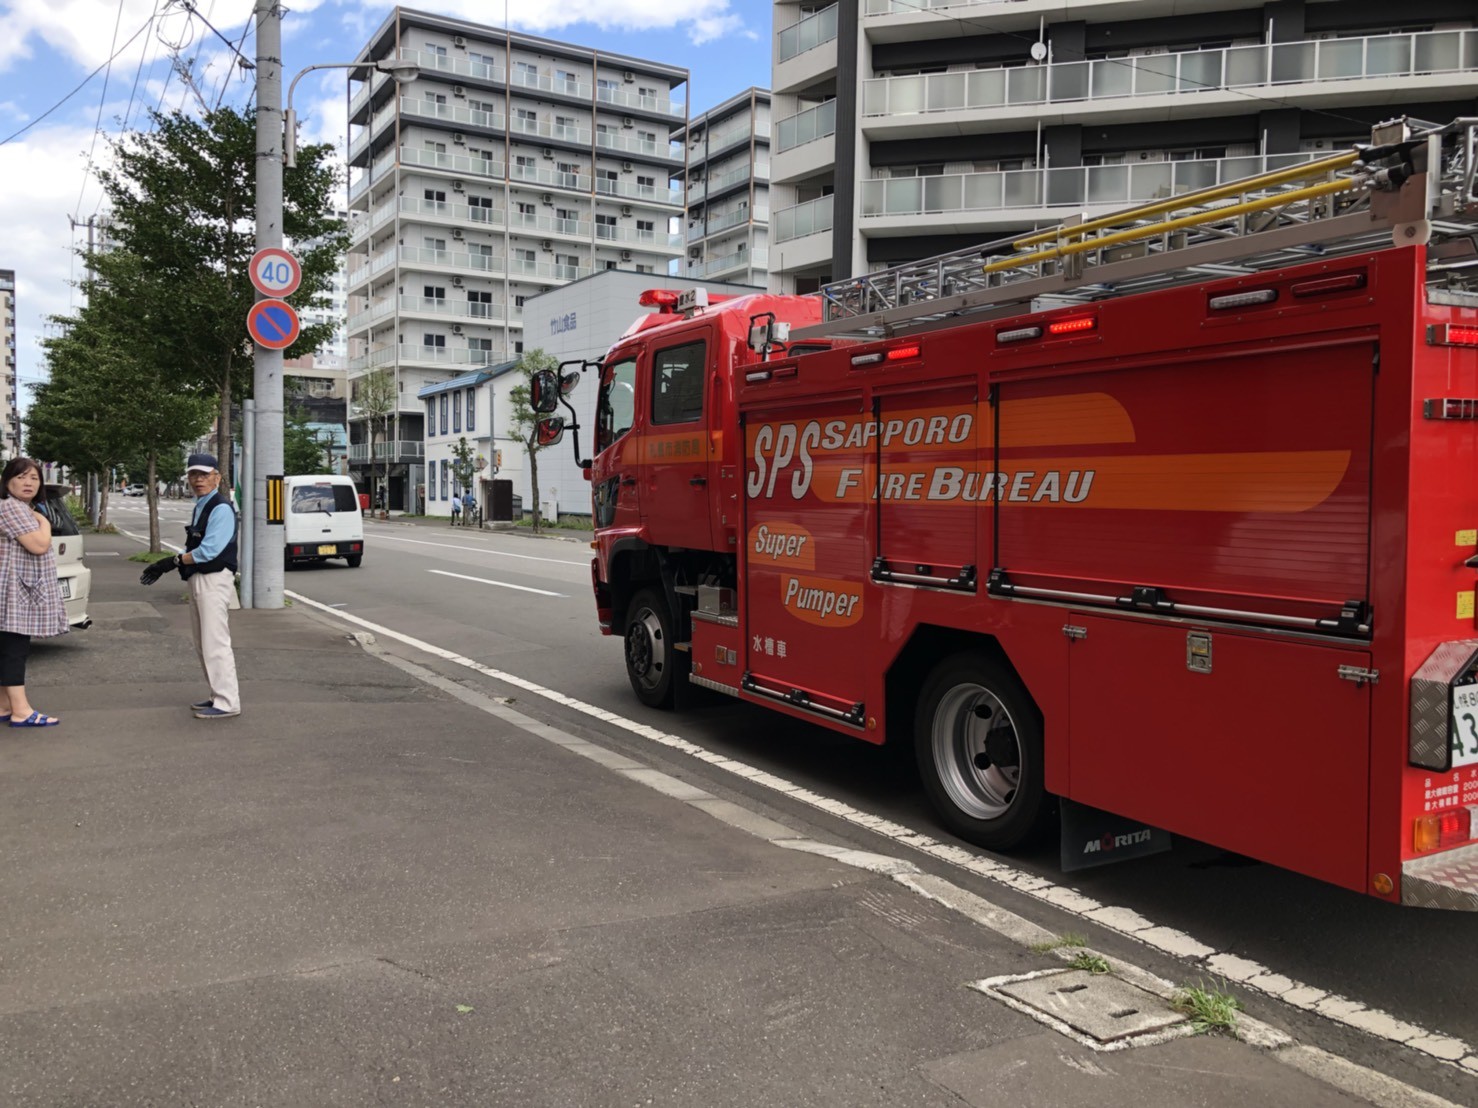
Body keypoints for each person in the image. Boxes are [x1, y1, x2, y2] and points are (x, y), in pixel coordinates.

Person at [140, 453, 240, 720]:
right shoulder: (202, 505)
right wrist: (178, 561)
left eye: (204, 475)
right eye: (194, 474)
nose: (198, 480)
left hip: (214, 578)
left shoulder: (220, 507)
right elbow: (196, 546)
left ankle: (227, 702)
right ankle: (217, 695)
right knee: (203, 641)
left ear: (217, 477)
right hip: (200, 578)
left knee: (214, 641)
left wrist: (172, 561)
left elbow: (209, 551)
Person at [0, 457, 69, 728]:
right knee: (14, 649)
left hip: (16, 589)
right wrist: (44, 521)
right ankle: (21, 710)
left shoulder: (18, 508)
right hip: (13, 592)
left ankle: (5, 705)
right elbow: (39, 545)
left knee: (6, 648)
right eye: (21, 477)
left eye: (34, 478)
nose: (28, 482)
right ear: (7, 481)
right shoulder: (11, 508)